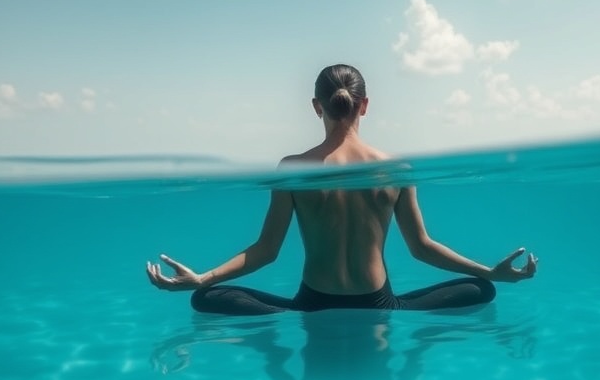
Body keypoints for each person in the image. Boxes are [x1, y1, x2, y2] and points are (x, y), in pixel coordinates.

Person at [146, 64, 537, 315]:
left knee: (205, 298)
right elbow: (422, 248)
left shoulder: (294, 169)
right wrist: (490, 272)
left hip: (312, 304)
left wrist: (204, 278)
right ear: (364, 105)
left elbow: (266, 251)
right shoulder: (395, 170)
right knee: (481, 289)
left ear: (317, 106)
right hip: (379, 303)